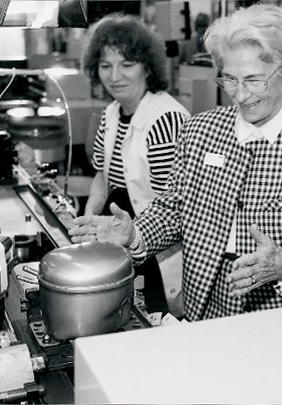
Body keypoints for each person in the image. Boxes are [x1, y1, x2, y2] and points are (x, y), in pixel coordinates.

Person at [70, 4, 282, 327]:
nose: (241, 95)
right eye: (230, 80)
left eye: (254, 80)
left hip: (281, 316)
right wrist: (135, 233)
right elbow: (174, 209)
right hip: (205, 305)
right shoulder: (199, 131)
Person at [81, 14, 190, 312]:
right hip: (120, 239)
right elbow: (102, 179)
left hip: (154, 252)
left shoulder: (165, 120)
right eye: (106, 66)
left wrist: (130, 235)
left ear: (147, 66)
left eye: (127, 64)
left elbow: (173, 208)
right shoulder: (111, 113)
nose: (115, 76)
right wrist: (88, 218)